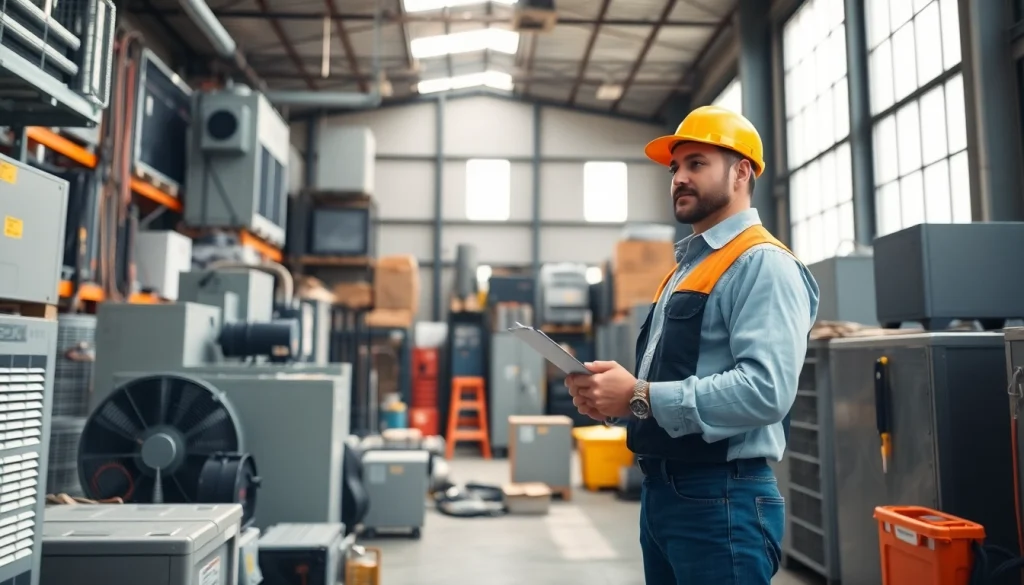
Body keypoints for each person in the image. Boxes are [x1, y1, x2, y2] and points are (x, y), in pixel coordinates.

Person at [565, 105, 820, 585]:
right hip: (665, 494)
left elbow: (766, 390)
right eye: (675, 168)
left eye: (696, 163)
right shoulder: (686, 269)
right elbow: (675, 376)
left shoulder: (762, 263)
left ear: (741, 173)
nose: (679, 178)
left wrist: (639, 395)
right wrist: (615, 398)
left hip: (721, 499)